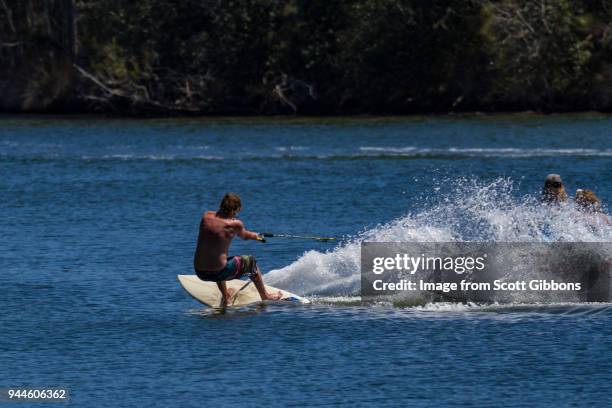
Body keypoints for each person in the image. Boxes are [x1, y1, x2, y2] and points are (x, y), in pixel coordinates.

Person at [193, 193, 282, 306]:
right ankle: (265, 296)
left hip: (200, 272)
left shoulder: (206, 216)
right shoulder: (235, 224)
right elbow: (245, 236)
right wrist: (258, 237)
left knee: (221, 260)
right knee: (250, 262)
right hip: (218, 272)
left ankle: (226, 297)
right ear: (237, 209)